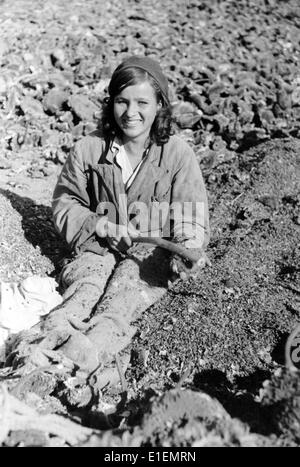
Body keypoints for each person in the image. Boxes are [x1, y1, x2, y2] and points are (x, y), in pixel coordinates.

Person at [25, 56, 210, 386]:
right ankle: (38, 354)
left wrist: (187, 244)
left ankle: (80, 365)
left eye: (142, 102)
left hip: (146, 257)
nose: (131, 112)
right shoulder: (89, 149)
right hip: (97, 247)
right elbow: (66, 202)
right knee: (84, 289)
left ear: (159, 106)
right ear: (111, 103)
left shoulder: (178, 155)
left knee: (121, 298)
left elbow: (190, 212)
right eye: (122, 101)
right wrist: (99, 225)